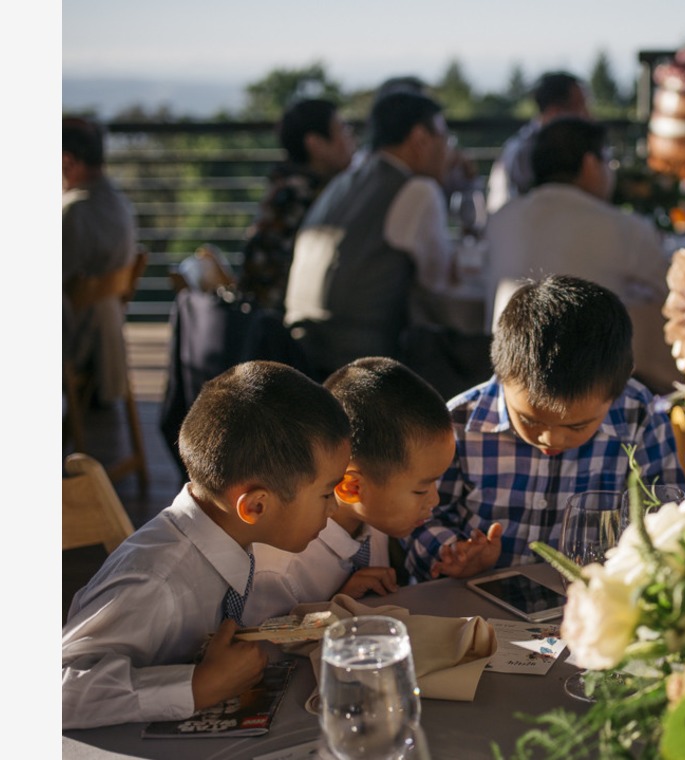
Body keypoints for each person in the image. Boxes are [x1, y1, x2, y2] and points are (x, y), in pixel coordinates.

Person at [62, 361, 351, 730]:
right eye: (328, 492)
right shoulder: (156, 581)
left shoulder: (234, 535)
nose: (336, 506)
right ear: (256, 506)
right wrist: (197, 687)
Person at [405, 275, 685, 581]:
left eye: (578, 425)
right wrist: (454, 553)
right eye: (529, 420)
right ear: (501, 372)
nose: (550, 438)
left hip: (595, 598)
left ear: (617, 389)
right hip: (473, 599)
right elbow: (414, 519)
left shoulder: (640, 418)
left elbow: (666, 519)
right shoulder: (459, 424)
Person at [243, 357, 455, 625]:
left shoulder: (372, 516)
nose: (434, 500)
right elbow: (260, 653)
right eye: (421, 490)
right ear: (352, 487)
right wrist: (334, 610)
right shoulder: (280, 567)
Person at [284, 90, 456, 379]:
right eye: (445, 136)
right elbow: (438, 286)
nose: (449, 149)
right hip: (360, 368)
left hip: (301, 355)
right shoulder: (417, 190)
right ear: (420, 138)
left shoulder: (344, 180)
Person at [483, 116, 668, 331]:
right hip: (592, 362)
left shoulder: (501, 218)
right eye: (608, 161)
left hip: (504, 361)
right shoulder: (621, 227)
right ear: (590, 164)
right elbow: (675, 289)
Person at [238, 99, 356, 311]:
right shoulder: (300, 196)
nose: (350, 137)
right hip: (286, 325)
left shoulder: (286, 188)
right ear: (315, 144)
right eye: (342, 129)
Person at [63, 116, 138, 406]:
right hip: (105, 344)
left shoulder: (73, 212)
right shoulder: (119, 203)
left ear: (67, 161)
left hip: (75, 345)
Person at [485, 71, 590, 213]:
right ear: (555, 113)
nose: (588, 116)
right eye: (580, 107)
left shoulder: (522, 145)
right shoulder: (525, 152)